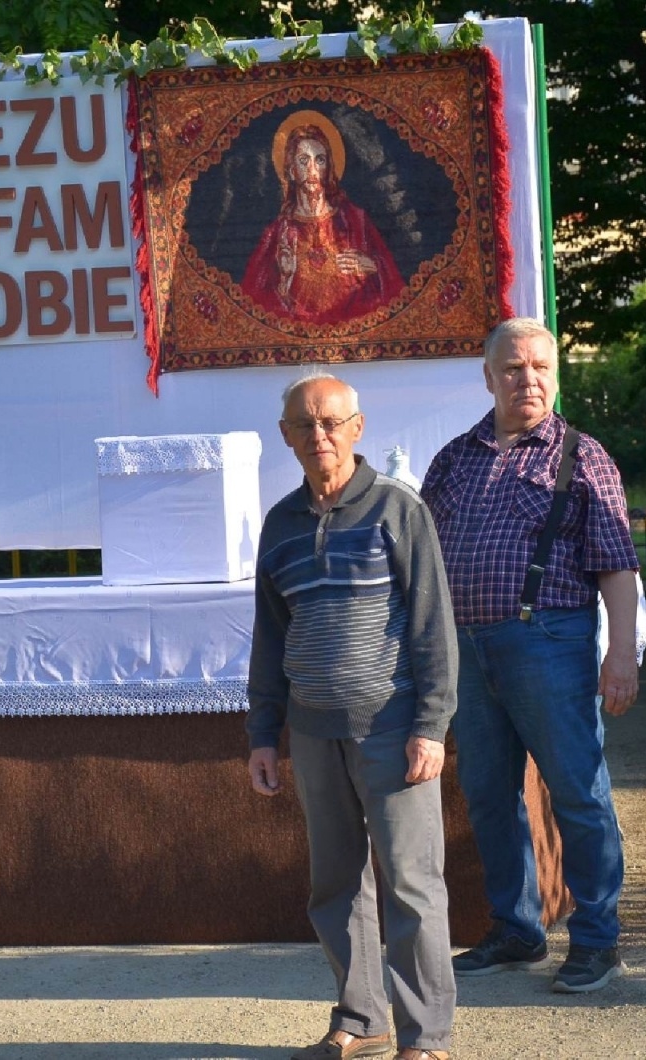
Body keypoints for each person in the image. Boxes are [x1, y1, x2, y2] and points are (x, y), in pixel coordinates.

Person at [421, 317, 642, 995]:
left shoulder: (582, 456)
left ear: (555, 373)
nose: (529, 380)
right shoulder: (455, 458)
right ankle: (517, 930)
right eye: (513, 369)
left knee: (578, 793)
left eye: (541, 367)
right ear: (489, 378)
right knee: (488, 796)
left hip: (549, 641)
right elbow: (421, 559)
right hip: (466, 648)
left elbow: (617, 567)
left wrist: (623, 655)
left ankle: (599, 940)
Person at [247, 373, 457, 1060]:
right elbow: (270, 637)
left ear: (358, 428)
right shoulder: (278, 525)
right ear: (287, 437)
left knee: (411, 885)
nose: (320, 436)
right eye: (306, 426)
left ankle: (425, 1039)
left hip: (393, 727)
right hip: (313, 730)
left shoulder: (399, 511)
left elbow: (433, 628)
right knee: (335, 883)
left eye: (333, 422)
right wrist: (263, 735)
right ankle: (360, 1019)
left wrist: (431, 725)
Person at [241, 113, 405, 324]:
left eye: (320, 159)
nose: (313, 169)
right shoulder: (277, 233)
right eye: (303, 160)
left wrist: (372, 266)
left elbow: (395, 285)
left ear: (328, 167)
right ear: (291, 170)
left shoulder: (355, 220)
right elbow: (252, 302)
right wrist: (284, 281)